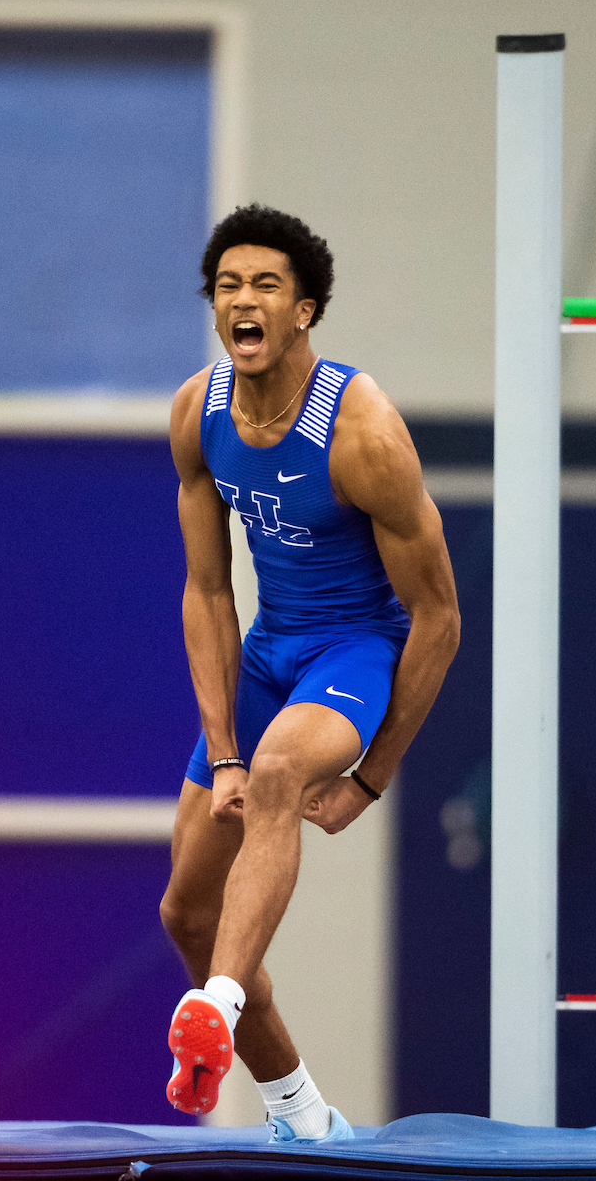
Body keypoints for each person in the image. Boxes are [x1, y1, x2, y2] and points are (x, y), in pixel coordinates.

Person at [159, 204, 460, 1142]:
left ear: (305, 312)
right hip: (270, 653)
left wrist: (374, 775)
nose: (243, 301)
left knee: (286, 768)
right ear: (215, 307)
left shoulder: (361, 430)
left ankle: (214, 1005)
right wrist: (222, 751)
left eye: (267, 286)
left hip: (353, 651)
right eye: (228, 286)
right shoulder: (197, 414)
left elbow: (441, 617)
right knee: (184, 909)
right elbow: (207, 593)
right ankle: (298, 1108)